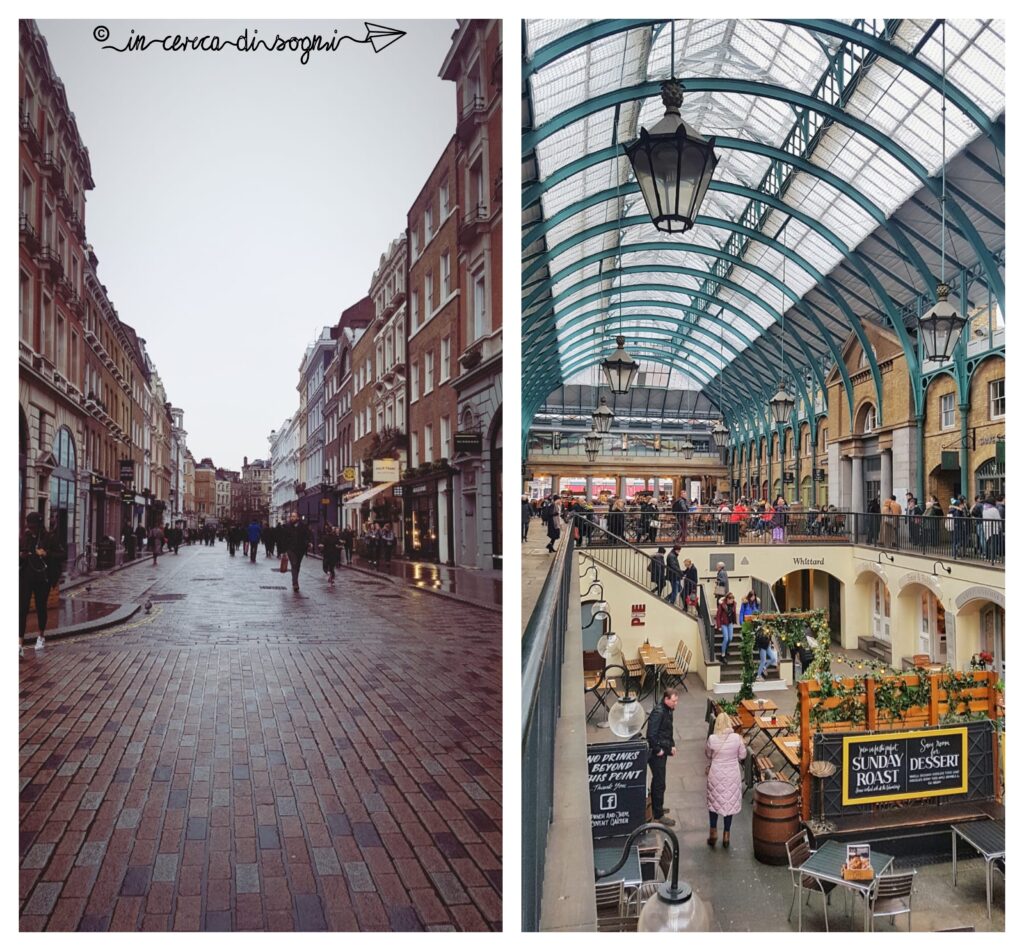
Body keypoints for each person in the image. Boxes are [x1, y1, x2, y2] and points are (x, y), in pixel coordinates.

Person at [19, 512, 64, 654]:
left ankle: (41, 636)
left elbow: (63, 554)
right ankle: (19, 642)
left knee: (40, 607)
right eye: (28, 526)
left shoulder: (49, 537)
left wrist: (46, 554)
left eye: (32, 527)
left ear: (38, 526)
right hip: (26, 578)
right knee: (22, 609)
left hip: (42, 579)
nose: (30, 529)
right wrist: (21, 555)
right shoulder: (25, 538)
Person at [705, 711, 747, 848]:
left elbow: (708, 754)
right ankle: (726, 835)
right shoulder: (737, 738)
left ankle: (713, 833)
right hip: (732, 774)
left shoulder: (712, 738)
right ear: (729, 723)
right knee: (729, 803)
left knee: (714, 803)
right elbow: (742, 755)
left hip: (716, 774)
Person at [645, 688, 678, 826]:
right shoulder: (659, 712)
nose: (676, 703)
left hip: (663, 750)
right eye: (674, 701)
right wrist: (659, 750)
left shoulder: (668, 710)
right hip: (656, 754)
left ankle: (657, 806)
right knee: (659, 783)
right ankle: (658, 815)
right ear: (666, 699)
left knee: (658, 781)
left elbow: (667, 731)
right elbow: (651, 734)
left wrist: (672, 745)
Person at [285, 512, 311, 592]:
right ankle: (295, 583)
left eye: (294, 516)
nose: (292, 518)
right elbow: (284, 538)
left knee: (297, 565)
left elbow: (307, 536)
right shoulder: (288, 526)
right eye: (291, 516)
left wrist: (308, 543)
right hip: (291, 549)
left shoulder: (303, 527)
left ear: (297, 518)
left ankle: (295, 580)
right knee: (294, 564)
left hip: (300, 549)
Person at [716, 592, 738, 662]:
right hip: (723, 623)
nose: (731, 600)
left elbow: (734, 613)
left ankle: (725, 649)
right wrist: (718, 626)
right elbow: (718, 616)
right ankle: (722, 656)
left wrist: (735, 621)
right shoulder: (722, 605)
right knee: (726, 638)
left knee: (730, 638)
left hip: (730, 623)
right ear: (727, 599)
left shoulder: (733, 604)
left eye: (732, 599)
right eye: (730, 599)